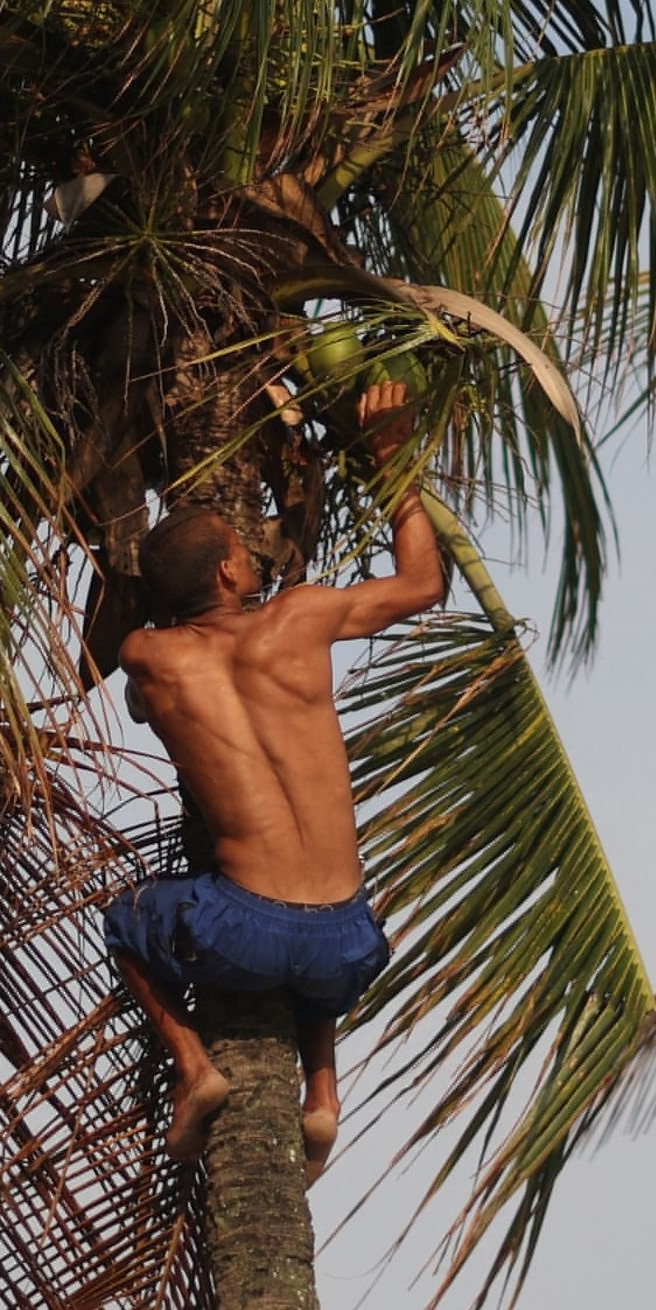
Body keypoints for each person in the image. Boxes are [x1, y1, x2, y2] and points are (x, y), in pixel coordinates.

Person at [101, 382, 445, 1175]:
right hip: (351, 941)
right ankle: (321, 1096)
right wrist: (392, 462)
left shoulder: (148, 659)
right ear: (226, 570)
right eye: (242, 543)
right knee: (310, 928)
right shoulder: (305, 615)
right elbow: (424, 583)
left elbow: (139, 691)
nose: (256, 548)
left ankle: (196, 1067)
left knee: (127, 920)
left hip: (242, 934)